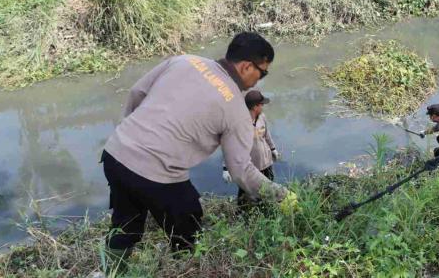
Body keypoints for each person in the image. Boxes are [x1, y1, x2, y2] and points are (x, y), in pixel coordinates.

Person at [101, 32, 298, 262]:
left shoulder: (185, 61)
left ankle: (113, 269)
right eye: (262, 73)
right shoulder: (236, 110)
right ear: (246, 67)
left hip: (115, 153)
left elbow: (137, 92)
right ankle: (185, 266)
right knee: (188, 226)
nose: (259, 79)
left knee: (125, 225)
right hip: (158, 172)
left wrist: (130, 133)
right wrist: (280, 195)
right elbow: (241, 170)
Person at [222, 89, 281, 208]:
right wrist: (225, 168)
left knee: (268, 188)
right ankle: (242, 213)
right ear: (255, 107)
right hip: (249, 168)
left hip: (266, 163)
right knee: (245, 194)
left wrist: (273, 149)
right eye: (261, 104)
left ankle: (266, 210)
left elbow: (267, 134)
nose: (263, 106)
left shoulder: (262, 117)